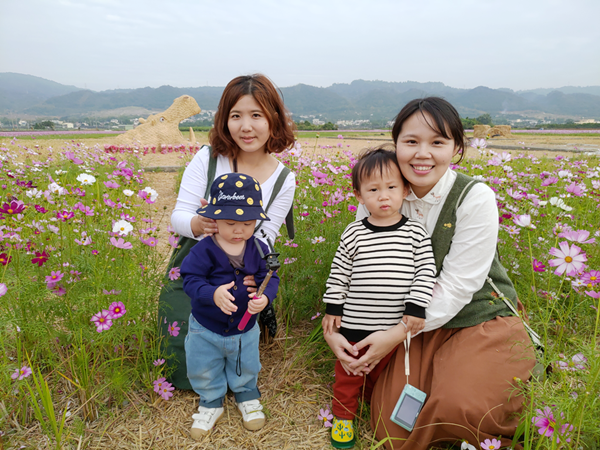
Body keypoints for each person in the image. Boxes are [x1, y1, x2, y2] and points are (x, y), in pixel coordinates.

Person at [324, 97, 536, 449]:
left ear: (456, 148)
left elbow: (457, 287)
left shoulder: (474, 197)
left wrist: (393, 335)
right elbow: (358, 266)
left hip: (478, 317)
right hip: (413, 326)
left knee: (461, 405)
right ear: (396, 145)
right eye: (411, 142)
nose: (423, 154)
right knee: (390, 426)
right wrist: (336, 327)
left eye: (437, 142)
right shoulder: (381, 192)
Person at [159, 74, 296, 390]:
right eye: (236, 116)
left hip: (242, 264)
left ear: (273, 119)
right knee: (182, 353)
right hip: (195, 259)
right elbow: (178, 217)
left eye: (256, 115)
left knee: (236, 342)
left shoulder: (283, 179)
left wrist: (248, 265)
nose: (245, 126)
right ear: (225, 120)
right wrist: (200, 224)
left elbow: (266, 236)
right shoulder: (208, 159)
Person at [322, 148, 436, 449]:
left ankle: (372, 404)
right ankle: (343, 416)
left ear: (406, 190)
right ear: (359, 195)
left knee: (382, 377)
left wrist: (415, 306)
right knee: (348, 374)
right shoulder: (354, 233)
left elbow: (426, 272)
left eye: (391, 188)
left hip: (391, 328)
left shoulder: (416, 233)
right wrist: (333, 306)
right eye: (373, 190)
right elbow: (339, 272)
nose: (383, 196)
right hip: (354, 325)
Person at [181, 173, 279, 439]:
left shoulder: (258, 249)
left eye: (247, 223)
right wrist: (212, 294)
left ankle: (246, 392)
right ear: (213, 220)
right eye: (230, 223)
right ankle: (210, 400)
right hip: (206, 325)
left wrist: (265, 297)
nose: (239, 230)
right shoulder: (203, 250)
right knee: (202, 363)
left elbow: (270, 278)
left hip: (245, 326)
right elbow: (190, 279)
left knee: (246, 360)